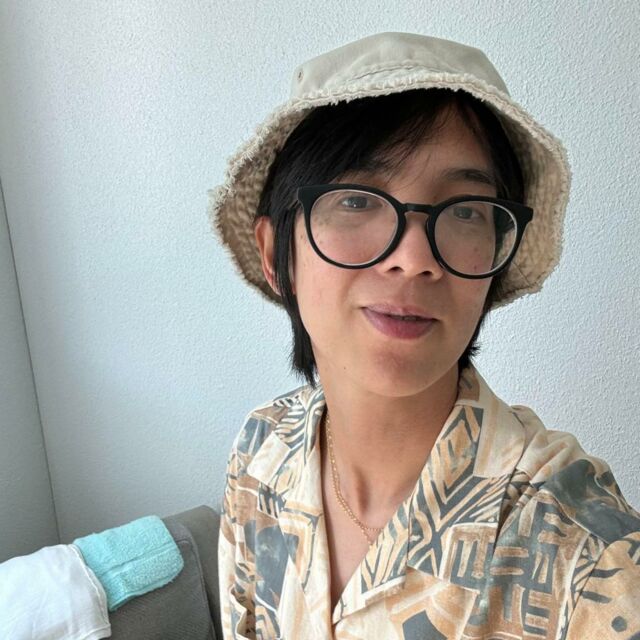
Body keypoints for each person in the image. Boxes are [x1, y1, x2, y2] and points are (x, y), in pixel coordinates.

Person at [208, 32, 640, 639]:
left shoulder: (589, 557)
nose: (413, 260)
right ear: (277, 253)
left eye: (465, 210)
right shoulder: (259, 454)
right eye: (357, 200)